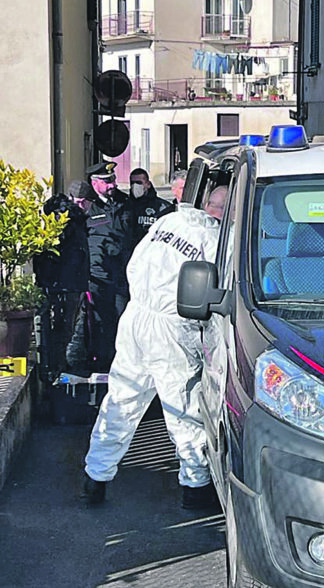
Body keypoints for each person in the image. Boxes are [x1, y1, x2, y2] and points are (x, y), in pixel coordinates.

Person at [80, 185, 229, 508]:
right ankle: (195, 486)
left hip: (136, 317)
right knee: (182, 406)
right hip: (172, 326)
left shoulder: (168, 221)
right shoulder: (216, 240)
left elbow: (134, 262)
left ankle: (95, 477)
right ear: (227, 210)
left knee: (122, 398)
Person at [65, 161, 133, 376]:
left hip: (122, 275)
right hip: (97, 276)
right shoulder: (87, 208)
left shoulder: (125, 203)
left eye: (113, 180)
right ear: (95, 183)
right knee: (99, 321)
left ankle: (121, 363)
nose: (112, 185)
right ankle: (102, 364)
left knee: (123, 320)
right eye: (106, 182)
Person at [34, 181, 93, 379]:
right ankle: (57, 367)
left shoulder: (66, 217)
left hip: (62, 282)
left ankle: (56, 366)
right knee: (63, 327)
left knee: (61, 326)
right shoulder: (68, 219)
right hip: (65, 284)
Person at [129, 167, 175, 245]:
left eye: (139, 182)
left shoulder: (163, 207)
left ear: (148, 184)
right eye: (132, 183)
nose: (135, 186)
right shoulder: (126, 206)